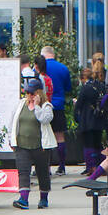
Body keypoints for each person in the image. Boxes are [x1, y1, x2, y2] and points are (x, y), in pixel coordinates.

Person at [10, 78, 55, 209]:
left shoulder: (46, 106)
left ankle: (43, 198)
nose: (29, 96)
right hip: (22, 144)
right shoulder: (20, 104)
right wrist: (11, 138)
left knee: (42, 172)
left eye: (32, 93)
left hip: (40, 146)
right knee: (23, 171)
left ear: (38, 93)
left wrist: (36, 106)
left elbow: (44, 119)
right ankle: (23, 199)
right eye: (28, 93)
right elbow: (13, 121)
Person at [41, 46, 73, 175]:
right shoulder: (63, 68)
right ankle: (62, 165)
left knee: (44, 137)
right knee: (60, 136)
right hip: (58, 105)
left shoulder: (39, 68)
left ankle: (46, 167)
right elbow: (68, 88)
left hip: (44, 105)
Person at [73, 63, 108, 175]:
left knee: (88, 145)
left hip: (87, 120)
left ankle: (91, 167)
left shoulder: (85, 88)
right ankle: (100, 166)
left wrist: (77, 117)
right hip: (99, 119)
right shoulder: (100, 86)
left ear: (83, 78)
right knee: (98, 144)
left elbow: (79, 105)